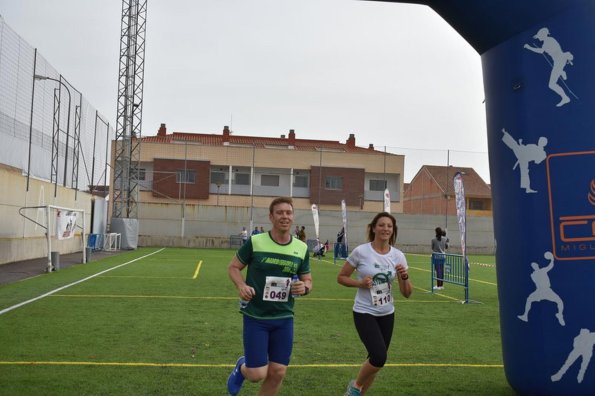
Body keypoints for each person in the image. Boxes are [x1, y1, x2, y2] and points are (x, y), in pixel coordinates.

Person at [227, 197, 312, 396]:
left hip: (284, 317)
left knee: (278, 372)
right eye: (280, 213)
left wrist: (304, 287)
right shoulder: (256, 242)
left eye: (288, 213)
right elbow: (233, 267)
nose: (285, 216)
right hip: (256, 317)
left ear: (293, 217)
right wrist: (241, 285)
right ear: (271, 217)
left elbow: (308, 280)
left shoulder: (301, 248)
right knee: (257, 374)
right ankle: (242, 367)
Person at [337, 212, 412, 396]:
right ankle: (354, 388)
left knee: (374, 362)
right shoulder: (361, 251)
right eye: (381, 225)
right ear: (373, 228)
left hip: (387, 313)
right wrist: (360, 283)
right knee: (379, 357)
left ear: (393, 230)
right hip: (364, 312)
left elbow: (407, 293)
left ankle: (359, 394)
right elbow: (341, 277)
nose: (385, 229)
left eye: (389, 226)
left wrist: (404, 277)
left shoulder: (398, 255)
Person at [524, 27, 574, 107]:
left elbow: (541, 51)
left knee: (551, 84)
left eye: (539, 36)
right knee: (557, 71)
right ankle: (562, 72)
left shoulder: (548, 41)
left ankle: (565, 98)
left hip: (559, 61)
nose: (538, 38)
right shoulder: (549, 40)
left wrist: (529, 47)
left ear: (543, 35)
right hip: (559, 61)